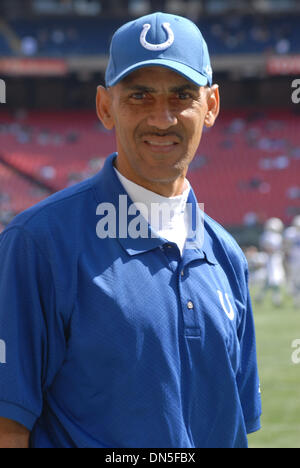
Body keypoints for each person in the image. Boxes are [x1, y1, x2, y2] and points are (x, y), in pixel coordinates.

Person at [0, 12, 261, 448]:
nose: (162, 118)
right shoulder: (37, 244)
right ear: (105, 107)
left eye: (182, 95)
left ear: (211, 106)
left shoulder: (228, 256)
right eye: (139, 95)